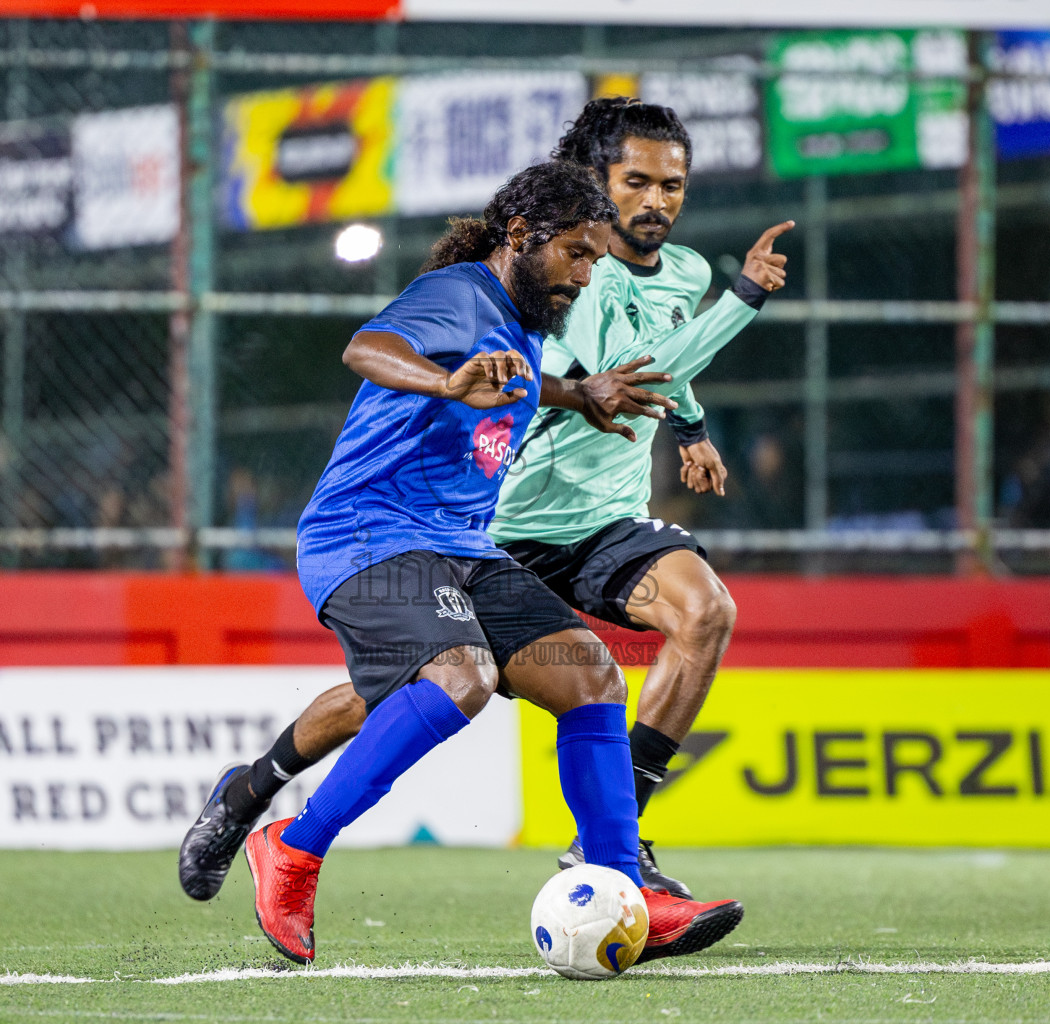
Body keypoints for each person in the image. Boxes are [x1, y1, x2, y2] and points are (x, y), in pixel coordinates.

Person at [191, 98, 792, 900]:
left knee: (686, 622)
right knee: (420, 687)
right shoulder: (553, 276)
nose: (654, 202)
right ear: (590, 193)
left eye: (672, 185)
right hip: (499, 528)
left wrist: (684, 426)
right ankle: (262, 792)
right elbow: (382, 347)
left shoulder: (656, 274)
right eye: (636, 184)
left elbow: (629, 372)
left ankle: (615, 855)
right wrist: (736, 306)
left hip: (596, 522)